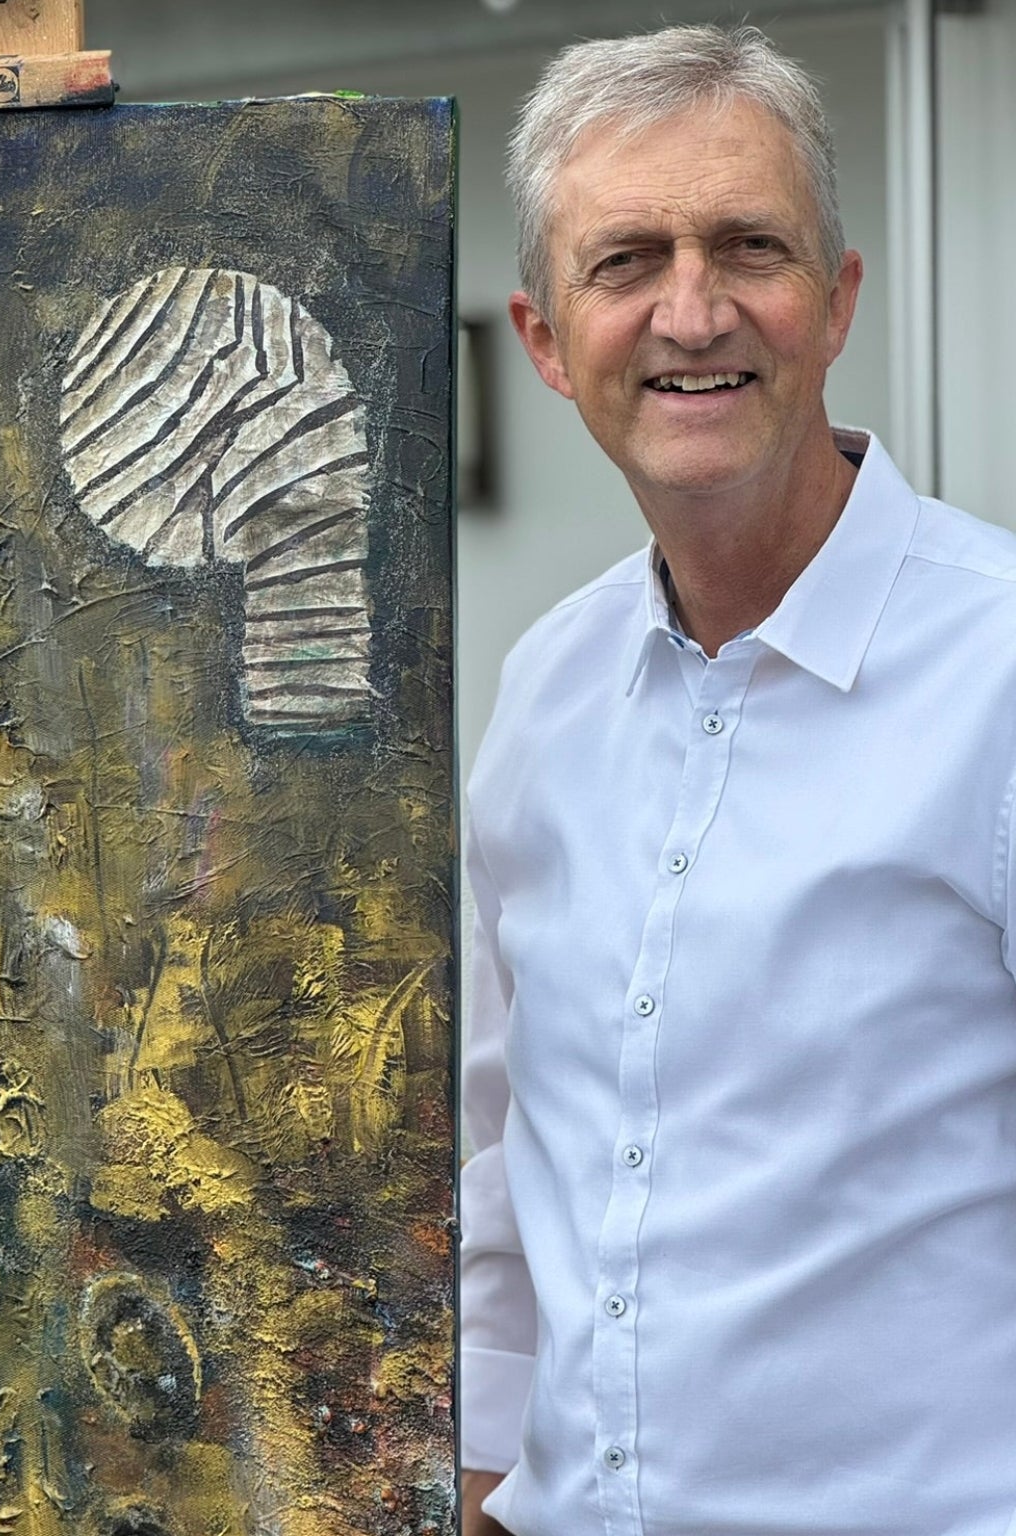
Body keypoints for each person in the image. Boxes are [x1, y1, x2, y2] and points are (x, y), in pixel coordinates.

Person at [460, 23, 1016, 1536]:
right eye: (626, 261)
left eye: (749, 247)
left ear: (836, 301)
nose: (691, 312)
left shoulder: (999, 674)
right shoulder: (544, 694)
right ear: (546, 341)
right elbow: (508, 1166)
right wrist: (485, 1491)